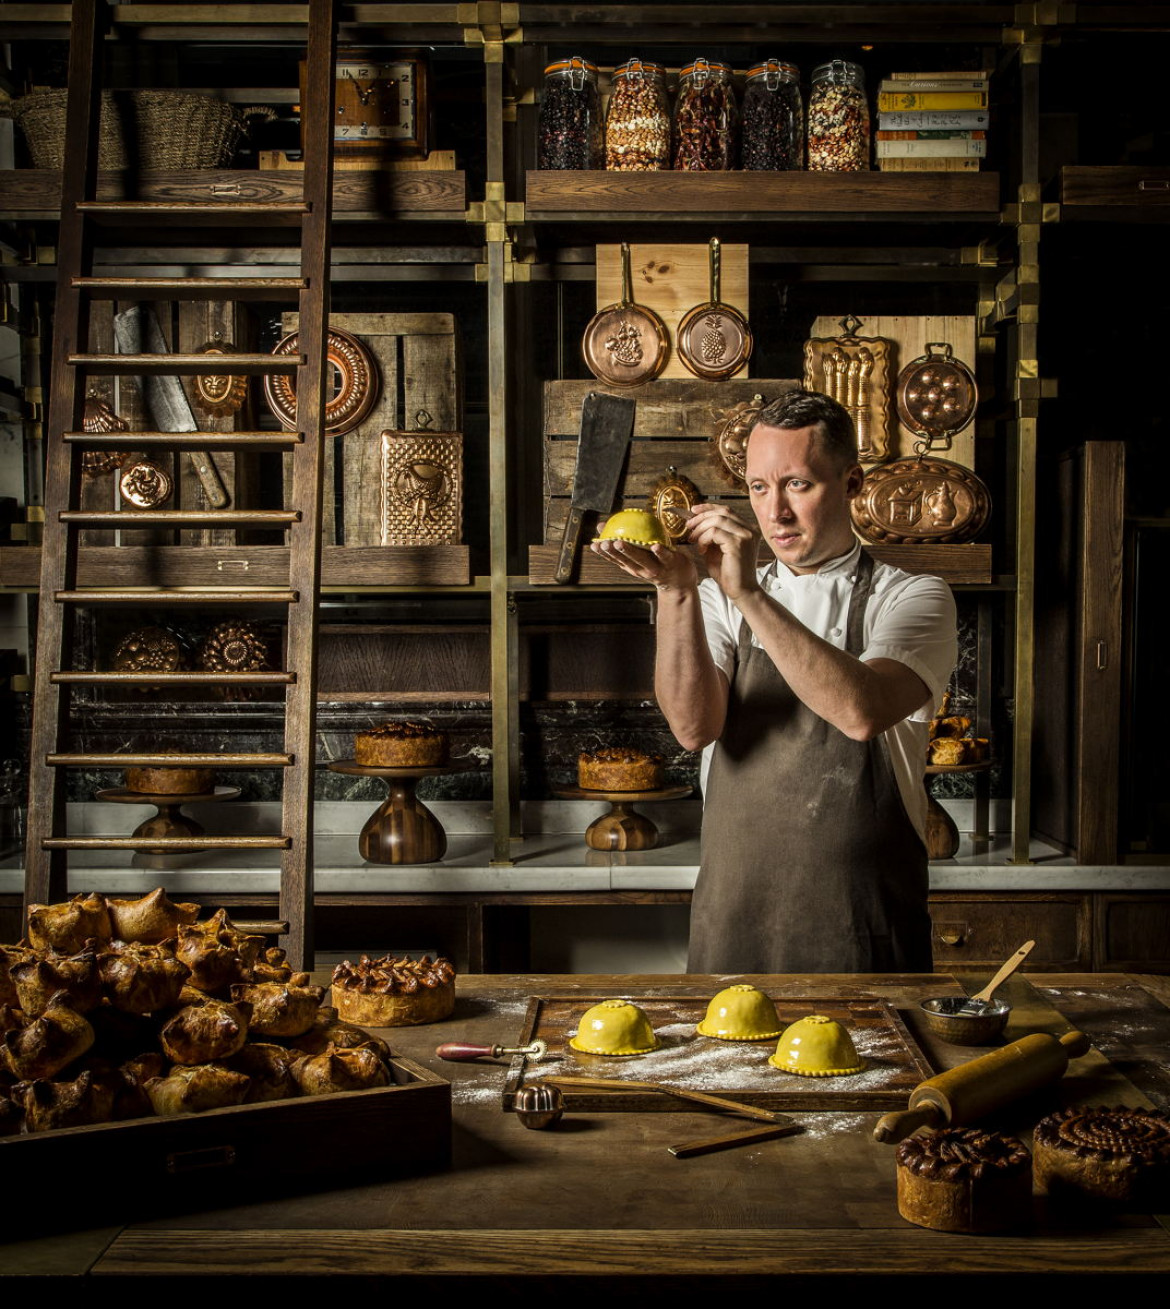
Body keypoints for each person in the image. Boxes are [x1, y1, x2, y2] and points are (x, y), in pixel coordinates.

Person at [592, 389, 957, 973]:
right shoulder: (713, 597)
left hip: (862, 920)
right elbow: (692, 728)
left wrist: (750, 593)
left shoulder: (912, 597)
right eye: (760, 488)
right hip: (736, 912)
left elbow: (861, 711)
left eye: (799, 484)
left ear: (853, 482)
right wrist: (677, 590)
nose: (776, 513)